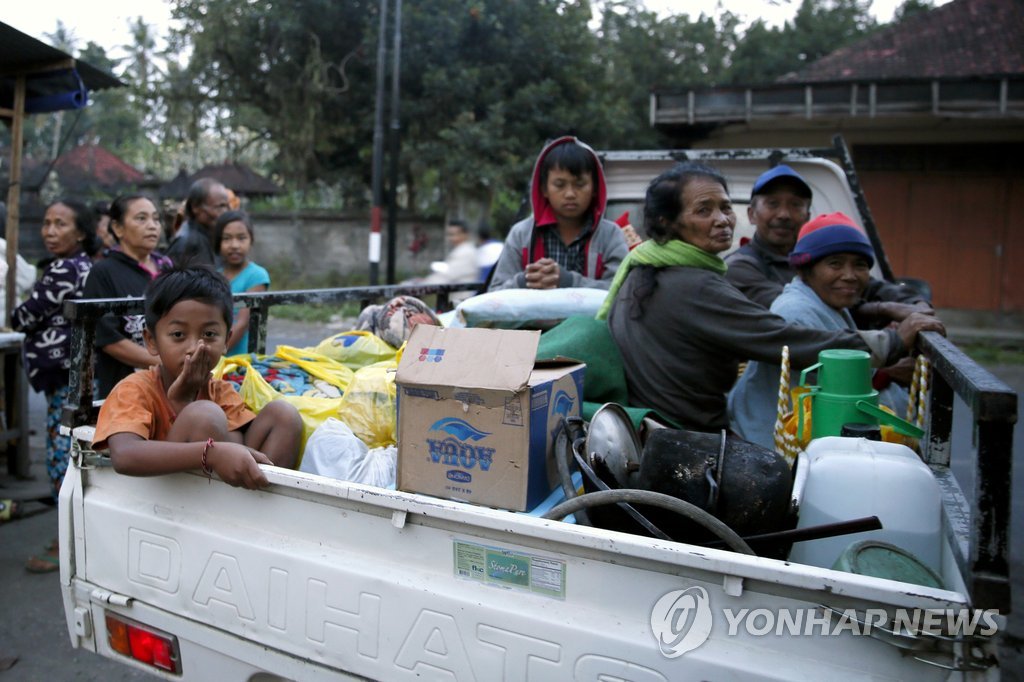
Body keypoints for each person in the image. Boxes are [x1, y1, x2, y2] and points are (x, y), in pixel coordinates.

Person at [599, 162, 944, 432]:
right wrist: (891, 342)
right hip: (690, 433)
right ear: (668, 222)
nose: (722, 220)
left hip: (661, 425)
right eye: (704, 210)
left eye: (724, 207)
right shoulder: (695, 284)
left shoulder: (650, 265)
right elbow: (782, 339)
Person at [92, 267, 301, 487]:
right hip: (168, 493)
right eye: (178, 335)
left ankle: (265, 502)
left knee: (283, 414)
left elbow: (234, 442)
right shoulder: (134, 389)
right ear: (151, 341)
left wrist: (185, 401)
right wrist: (210, 452)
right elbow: (125, 456)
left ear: (226, 342)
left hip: (225, 493)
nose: (195, 347)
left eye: (209, 335)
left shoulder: (220, 391)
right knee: (203, 413)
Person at [728, 213, 922, 448]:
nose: (849, 276)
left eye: (859, 265)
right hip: (773, 448)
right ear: (804, 270)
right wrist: (889, 367)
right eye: (835, 264)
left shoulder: (830, 303)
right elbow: (834, 386)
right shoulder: (795, 310)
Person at [11, 199, 98, 573]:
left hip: (65, 374)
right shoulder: (85, 266)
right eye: (46, 223)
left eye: (60, 224)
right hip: (76, 374)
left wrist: (15, 314)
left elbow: (28, 314)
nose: (49, 231)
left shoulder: (65, 268)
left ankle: (66, 544)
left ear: (80, 232)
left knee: (61, 455)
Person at [725, 164, 930, 313]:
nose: (784, 214)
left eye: (795, 205)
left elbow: (873, 287)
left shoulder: (817, 258)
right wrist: (887, 310)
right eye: (773, 204)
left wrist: (916, 304)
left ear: (807, 216)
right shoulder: (740, 267)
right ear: (752, 214)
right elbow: (807, 308)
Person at [487, 136, 628, 291]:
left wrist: (569, 281)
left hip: (591, 317)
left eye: (580, 184)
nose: (570, 194)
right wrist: (524, 280)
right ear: (544, 189)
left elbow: (622, 291)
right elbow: (494, 293)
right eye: (559, 185)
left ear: (595, 188)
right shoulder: (522, 234)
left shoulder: (610, 235)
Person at [82, 194, 174, 399]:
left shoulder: (168, 267)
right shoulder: (103, 272)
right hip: (125, 388)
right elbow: (109, 339)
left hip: (171, 384)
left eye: (156, 219)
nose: (152, 226)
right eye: (141, 219)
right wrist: (166, 361)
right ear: (118, 228)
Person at [214, 210, 269, 356]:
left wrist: (217, 354)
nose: (234, 245)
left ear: (251, 240)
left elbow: (242, 323)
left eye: (241, 238)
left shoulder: (256, 275)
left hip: (242, 359)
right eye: (227, 239)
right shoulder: (215, 276)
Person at [166, 178, 231, 267]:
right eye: (220, 206)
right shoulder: (188, 243)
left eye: (227, 206)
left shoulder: (211, 237)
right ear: (195, 207)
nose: (226, 212)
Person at [419, 219, 479, 303]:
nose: (450, 238)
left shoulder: (465, 252)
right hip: (456, 299)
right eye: (449, 235)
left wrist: (421, 286)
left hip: (461, 301)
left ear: (465, 234)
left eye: (453, 235)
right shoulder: (461, 250)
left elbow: (446, 276)